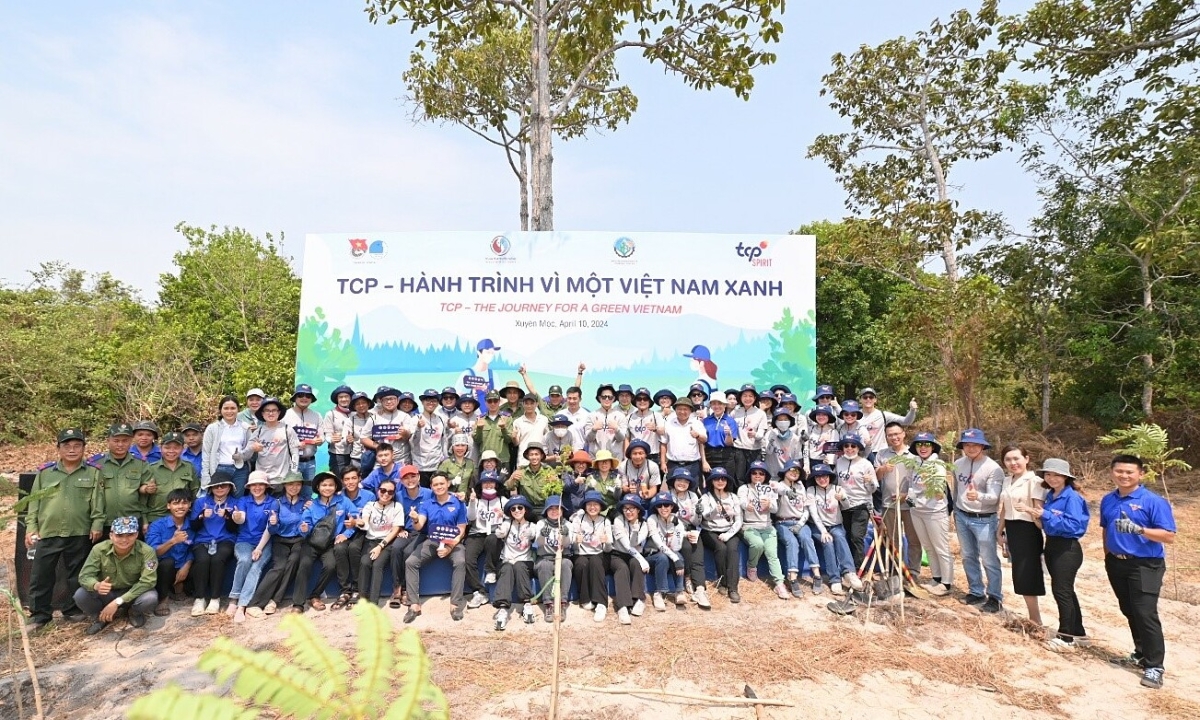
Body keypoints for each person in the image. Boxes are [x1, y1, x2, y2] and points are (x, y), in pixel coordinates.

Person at [1099, 454, 1176, 689]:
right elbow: (1106, 529)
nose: (1124, 475)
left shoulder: (1153, 501)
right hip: (1116, 563)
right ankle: (1141, 653)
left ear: (1140, 474)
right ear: (1112, 472)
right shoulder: (1108, 500)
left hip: (1145, 565)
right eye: (1119, 471)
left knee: (1145, 613)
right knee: (1129, 609)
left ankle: (1155, 666)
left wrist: (1139, 530)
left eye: (1129, 472)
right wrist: (1108, 555)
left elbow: (1169, 536)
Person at [24, 428, 105, 630]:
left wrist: (97, 524)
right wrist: (31, 527)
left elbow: (98, 502)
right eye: (67, 446)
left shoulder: (93, 472)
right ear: (58, 448)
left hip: (79, 531)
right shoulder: (45, 473)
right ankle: (40, 614)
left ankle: (72, 609)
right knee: (41, 575)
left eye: (77, 446)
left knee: (76, 574)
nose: (72, 450)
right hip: (48, 532)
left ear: (84, 448)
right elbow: (33, 503)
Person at [1022, 458, 1089, 652]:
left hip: (1067, 548)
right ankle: (1078, 633)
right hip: (1052, 545)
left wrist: (1045, 514)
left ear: (1066, 477)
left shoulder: (1072, 498)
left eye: (1057, 475)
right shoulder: (1051, 495)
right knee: (1066, 591)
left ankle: (1065, 637)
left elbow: (1074, 526)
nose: (1052, 478)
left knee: (1062, 591)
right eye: (1048, 474)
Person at [74, 516, 159, 635]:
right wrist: (97, 585)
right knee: (80, 595)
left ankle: (134, 612)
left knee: (150, 598)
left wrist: (117, 602)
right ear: (111, 535)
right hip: (107, 593)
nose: (124, 540)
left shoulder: (147, 551)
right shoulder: (99, 549)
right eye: (119, 535)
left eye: (130, 535)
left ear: (136, 535)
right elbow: (84, 576)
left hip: (132, 593)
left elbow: (148, 581)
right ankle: (101, 617)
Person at [952, 428, 1005, 613]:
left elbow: (995, 497)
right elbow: (956, 490)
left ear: (983, 446)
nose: (971, 448)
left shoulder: (993, 468)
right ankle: (976, 591)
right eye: (967, 445)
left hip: (984, 519)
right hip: (962, 516)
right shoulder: (958, 464)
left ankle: (995, 597)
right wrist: (955, 510)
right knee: (968, 556)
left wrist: (979, 496)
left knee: (989, 559)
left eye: (975, 444)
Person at [404, 473, 469, 623]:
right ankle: (414, 605)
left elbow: (461, 529)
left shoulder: (458, 502)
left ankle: (455, 604)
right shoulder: (427, 504)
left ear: (448, 484)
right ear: (431, 487)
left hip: (453, 541)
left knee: (460, 562)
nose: (439, 487)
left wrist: (449, 547)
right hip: (432, 541)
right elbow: (420, 525)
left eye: (441, 483)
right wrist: (415, 519)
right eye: (435, 485)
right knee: (410, 562)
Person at [247, 472, 312, 615]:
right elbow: (272, 530)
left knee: (293, 561)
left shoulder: (306, 503)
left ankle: (275, 600)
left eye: (298, 484)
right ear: (285, 486)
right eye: (290, 484)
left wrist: (305, 529)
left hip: (299, 540)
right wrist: (273, 523)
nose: (294, 487)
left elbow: (308, 527)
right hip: (280, 540)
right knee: (279, 567)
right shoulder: (277, 503)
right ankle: (255, 603)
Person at [998, 444, 1047, 628]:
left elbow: (1038, 511)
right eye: (1008, 460)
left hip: (1028, 530)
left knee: (1027, 574)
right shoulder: (1007, 480)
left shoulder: (1035, 481)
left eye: (1016, 458)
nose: (1013, 463)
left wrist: (1030, 513)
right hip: (1012, 528)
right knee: (1019, 574)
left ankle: (1036, 620)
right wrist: (999, 530)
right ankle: (1033, 617)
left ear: (1026, 459)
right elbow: (1005, 508)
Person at [902, 432, 953, 595]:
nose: (923, 448)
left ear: (933, 447)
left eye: (927, 444)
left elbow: (938, 492)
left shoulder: (937, 464)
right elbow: (912, 485)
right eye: (919, 445)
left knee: (941, 547)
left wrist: (932, 485)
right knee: (928, 547)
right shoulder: (914, 463)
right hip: (917, 511)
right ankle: (936, 578)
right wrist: (908, 498)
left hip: (934, 512)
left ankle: (946, 583)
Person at [297, 471, 354, 611]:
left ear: (336, 487)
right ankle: (298, 604)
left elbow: (355, 518)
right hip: (312, 543)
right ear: (318, 487)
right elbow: (304, 525)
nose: (327, 488)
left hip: (329, 544)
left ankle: (315, 596)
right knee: (304, 564)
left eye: (331, 485)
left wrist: (346, 533)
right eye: (324, 485)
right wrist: (304, 529)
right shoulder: (311, 504)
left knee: (330, 565)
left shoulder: (343, 501)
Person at [226, 471, 276, 622]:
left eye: (261, 484)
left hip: (264, 542)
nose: (257, 487)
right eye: (254, 485)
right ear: (249, 487)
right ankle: (233, 599)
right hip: (244, 540)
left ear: (266, 486)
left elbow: (269, 528)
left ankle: (242, 606)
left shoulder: (273, 502)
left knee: (256, 567)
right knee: (244, 560)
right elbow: (241, 519)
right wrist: (236, 517)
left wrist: (259, 548)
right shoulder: (244, 500)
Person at [807, 463, 862, 595]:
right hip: (818, 527)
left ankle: (849, 572)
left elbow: (847, 506)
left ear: (830, 477)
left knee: (840, 537)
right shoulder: (811, 490)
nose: (822, 479)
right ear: (814, 479)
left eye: (825, 476)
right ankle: (835, 579)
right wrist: (823, 531)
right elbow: (813, 514)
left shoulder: (837, 488)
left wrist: (842, 498)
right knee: (828, 542)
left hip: (836, 525)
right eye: (818, 477)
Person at [875, 423, 922, 574]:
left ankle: (913, 571)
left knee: (914, 539)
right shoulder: (882, 454)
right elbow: (876, 478)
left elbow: (921, 484)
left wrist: (906, 496)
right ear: (886, 437)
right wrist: (882, 469)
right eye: (890, 435)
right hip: (889, 504)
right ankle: (897, 570)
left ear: (903, 434)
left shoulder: (914, 455)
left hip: (910, 503)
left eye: (896, 434)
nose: (894, 437)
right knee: (893, 539)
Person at [771, 460, 824, 596]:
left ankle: (817, 575)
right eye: (791, 470)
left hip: (800, 521)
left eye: (797, 471)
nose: (794, 473)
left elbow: (806, 509)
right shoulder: (777, 484)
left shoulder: (801, 486)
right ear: (785, 471)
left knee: (807, 539)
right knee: (792, 542)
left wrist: (800, 524)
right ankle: (793, 577)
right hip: (783, 522)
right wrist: (788, 491)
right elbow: (778, 489)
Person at [738, 461, 790, 600]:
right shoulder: (744, 488)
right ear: (750, 475)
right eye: (754, 473)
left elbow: (775, 509)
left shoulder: (769, 489)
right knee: (758, 544)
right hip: (749, 525)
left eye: (761, 473)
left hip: (767, 526)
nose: (757, 476)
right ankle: (751, 566)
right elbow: (741, 502)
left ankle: (779, 583)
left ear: (765, 476)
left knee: (772, 553)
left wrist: (769, 505)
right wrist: (746, 505)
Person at [189, 471, 237, 616]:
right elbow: (193, 526)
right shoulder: (201, 502)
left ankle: (215, 599)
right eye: (216, 486)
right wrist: (201, 516)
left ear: (229, 487)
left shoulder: (235, 502)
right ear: (211, 488)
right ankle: (200, 598)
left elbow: (235, 528)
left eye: (223, 486)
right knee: (202, 560)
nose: (220, 488)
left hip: (225, 539)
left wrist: (228, 517)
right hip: (203, 539)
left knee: (218, 559)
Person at [355, 478, 406, 607]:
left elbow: (395, 530)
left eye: (390, 492)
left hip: (387, 542)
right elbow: (365, 521)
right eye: (383, 490)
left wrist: (380, 546)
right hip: (370, 540)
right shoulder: (370, 505)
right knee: (364, 562)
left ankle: (374, 603)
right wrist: (360, 523)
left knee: (378, 565)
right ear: (378, 490)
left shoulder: (397, 507)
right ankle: (362, 598)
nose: (386, 494)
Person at [491, 495, 539, 630]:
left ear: (525, 510)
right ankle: (503, 608)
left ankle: (527, 603)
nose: (517, 510)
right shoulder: (507, 524)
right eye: (513, 509)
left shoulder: (532, 526)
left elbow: (535, 535)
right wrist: (500, 530)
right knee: (507, 567)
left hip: (525, 561)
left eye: (520, 507)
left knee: (519, 565)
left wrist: (531, 534)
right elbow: (499, 533)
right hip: (508, 560)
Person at [666, 467, 711, 608]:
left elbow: (696, 522)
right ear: (673, 481)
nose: (682, 483)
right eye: (679, 480)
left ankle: (700, 589)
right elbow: (669, 519)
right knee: (685, 547)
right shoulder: (668, 496)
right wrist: (684, 533)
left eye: (686, 481)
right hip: (673, 530)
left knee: (697, 552)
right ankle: (687, 576)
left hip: (691, 528)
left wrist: (698, 514)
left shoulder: (693, 496)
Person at [330, 466, 374, 609]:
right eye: (347, 479)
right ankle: (345, 590)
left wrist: (352, 528)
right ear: (342, 481)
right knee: (339, 549)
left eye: (354, 478)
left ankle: (357, 589)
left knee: (354, 548)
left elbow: (368, 521)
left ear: (359, 478)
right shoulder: (338, 496)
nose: (350, 482)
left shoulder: (369, 496)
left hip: (362, 532)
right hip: (343, 532)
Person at [146, 489, 194, 616]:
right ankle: (163, 599)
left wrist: (187, 566)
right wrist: (173, 541)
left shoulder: (193, 525)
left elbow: (194, 548)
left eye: (184, 503)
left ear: (189, 505)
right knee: (167, 563)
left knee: (202, 558)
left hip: (183, 566)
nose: (180, 507)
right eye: (176, 503)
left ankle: (179, 587)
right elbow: (152, 553)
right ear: (168, 506)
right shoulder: (157, 525)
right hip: (163, 569)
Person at [698, 467, 743, 602]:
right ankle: (723, 582)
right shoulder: (706, 497)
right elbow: (705, 517)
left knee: (732, 550)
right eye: (716, 479)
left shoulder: (733, 497)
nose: (720, 481)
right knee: (721, 548)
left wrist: (728, 535)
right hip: (710, 530)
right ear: (711, 481)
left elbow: (738, 520)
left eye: (723, 479)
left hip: (730, 530)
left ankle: (733, 588)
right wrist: (714, 511)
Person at [389, 465, 432, 607]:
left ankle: (407, 589)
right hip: (406, 531)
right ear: (401, 481)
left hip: (423, 532)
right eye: (406, 478)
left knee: (408, 552)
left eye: (413, 476)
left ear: (418, 477)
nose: (410, 480)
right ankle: (397, 588)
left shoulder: (428, 493)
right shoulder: (399, 495)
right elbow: (393, 514)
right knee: (396, 548)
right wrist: (399, 529)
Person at [835, 433, 878, 572]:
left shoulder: (866, 464)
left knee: (856, 536)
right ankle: (848, 567)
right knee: (847, 535)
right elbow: (836, 482)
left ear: (858, 448)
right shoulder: (839, 462)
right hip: (844, 505)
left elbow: (873, 489)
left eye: (853, 446)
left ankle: (859, 568)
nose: (849, 448)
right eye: (846, 446)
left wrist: (870, 482)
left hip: (861, 504)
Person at [464, 471, 507, 609]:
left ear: (496, 484)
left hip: (494, 535)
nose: (488, 485)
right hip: (476, 534)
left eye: (491, 482)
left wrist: (504, 515)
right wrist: (472, 502)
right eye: (485, 482)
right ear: (480, 485)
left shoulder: (503, 500)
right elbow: (470, 518)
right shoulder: (476, 500)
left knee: (492, 539)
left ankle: (490, 570)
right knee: (467, 559)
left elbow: (513, 516)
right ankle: (479, 592)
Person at [96, 423, 151, 526]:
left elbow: (144, 497)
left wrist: (144, 519)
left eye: (125, 441)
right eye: (116, 441)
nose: (120, 444)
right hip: (105, 521)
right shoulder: (96, 463)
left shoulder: (141, 463)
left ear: (131, 441)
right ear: (108, 441)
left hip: (132, 520)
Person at [609, 494, 652, 625]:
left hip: (635, 554)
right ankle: (623, 606)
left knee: (636, 564)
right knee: (622, 568)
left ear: (638, 510)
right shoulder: (618, 520)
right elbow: (625, 544)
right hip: (617, 553)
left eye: (632, 508)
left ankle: (639, 599)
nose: (628, 512)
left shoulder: (644, 524)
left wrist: (635, 529)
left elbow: (634, 543)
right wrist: (642, 559)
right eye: (625, 508)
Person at [570, 490, 613, 621]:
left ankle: (601, 603)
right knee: (581, 563)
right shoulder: (578, 519)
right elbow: (573, 547)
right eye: (589, 504)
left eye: (596, 504)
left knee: (595, 561)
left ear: (600, 507)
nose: (592, 507)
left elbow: (608, 549)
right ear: (585, 506)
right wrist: (576, 541)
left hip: (600, 554)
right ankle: (585, 598)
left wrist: (606, 542)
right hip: (581, 553)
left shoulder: (605, 521)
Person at [534, 494, 574, 622]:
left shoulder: (568, 524)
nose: (554, 511)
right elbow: (539, 544)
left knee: (566, 564)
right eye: (551, 508)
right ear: (546, 511)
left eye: (557, 508)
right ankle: (548, 604)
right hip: (545, 557)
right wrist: (542, 535)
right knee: (544, 565)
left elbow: (567, 545)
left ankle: (562, 603)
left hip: (562, 556)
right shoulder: (541, 523)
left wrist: (565, 535)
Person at [144, 432, 200, 524]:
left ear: (182, 448)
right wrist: (144, 521)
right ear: (160, 448)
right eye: (167, 447)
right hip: (157, 517)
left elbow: (195, 493)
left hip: (182, 517)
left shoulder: (189, 467)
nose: (171, 451)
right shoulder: (151, 468)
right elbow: (143, 499)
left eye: (176, 448)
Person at [646, 492, 688, 609]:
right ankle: (659, 593)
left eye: (666, 505)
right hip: (652, 556)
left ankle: (679, 591)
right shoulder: (652, 519)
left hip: (668, 555)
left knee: (677, 555)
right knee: (663, 557)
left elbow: (676, 547)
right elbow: (658, 544)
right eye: (659, 505)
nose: (663, 508)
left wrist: (676, 528)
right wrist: (675, 559)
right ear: (656, 508)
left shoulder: (676, 520)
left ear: (672, 506)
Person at [202, 395, 252, 494]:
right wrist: (206, 475)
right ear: (220, 410)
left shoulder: (245, 427)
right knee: (221, 498)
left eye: (233, 408)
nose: (229, 411)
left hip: (240, 469)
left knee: (238, 498)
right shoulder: (213, 428)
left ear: (238, 409)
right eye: (226, 408)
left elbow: (249, 450)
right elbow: (206, 453)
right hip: (220, 468)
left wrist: (241, 455)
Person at [248, 397, 301, 486]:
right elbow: (247, 451)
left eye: (274, 410)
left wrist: (293, 472)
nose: (271, 413)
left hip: (282, 478)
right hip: (262, 479)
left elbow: (295, 453)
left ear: (279, 412)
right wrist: (252, 448)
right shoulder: (258, 431)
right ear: (262, 413)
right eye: (267, 410)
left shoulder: (287, 429)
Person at [857, 388, 918, 461]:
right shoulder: (855, 416)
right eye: (865, 397)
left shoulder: (883, 415)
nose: (868, 399)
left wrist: (912, 410)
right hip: (860, 453)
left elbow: (906, 421)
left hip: (880, 452)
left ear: (875, 400)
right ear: (860, 400)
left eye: (871, 397)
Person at [730, 383, 768, 489]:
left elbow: (761, 434)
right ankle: (741, 497)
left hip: (754, 451)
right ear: (740, 397)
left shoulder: (760, 413)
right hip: (738, 450)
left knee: (755, 477)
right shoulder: (735, 412)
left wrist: (755, 434)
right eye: (745, 396)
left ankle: (755, 497)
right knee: (739, 477)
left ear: (755, 398)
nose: (747, 398)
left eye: (750, 396)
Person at [284, 384, 324, 483]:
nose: (304, 398)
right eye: (300, 395)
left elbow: (321, 436)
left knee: (308, 490)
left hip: (310, 462)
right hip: (290, 461)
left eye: (308, 396)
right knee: (291, 490)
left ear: (311, 399)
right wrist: (294, 445)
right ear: (295, 397)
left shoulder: (317, 416)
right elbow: (280, 438)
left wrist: (320, 440)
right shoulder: (285, 415)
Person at [660, 397, 706, 483]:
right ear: (675, 410)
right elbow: (663, 443)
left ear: (690, 410)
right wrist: (663, 463)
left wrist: (697, 435)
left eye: (685, 409)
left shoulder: (697, 423)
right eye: (679, 409)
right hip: (673, 464)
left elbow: (704, 440)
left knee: (692, 488)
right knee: (673, 488)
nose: (682, 412)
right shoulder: (668, 423)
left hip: (692, 465)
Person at [412, 389, 450, 485]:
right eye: (427, 400)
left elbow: (443, 441)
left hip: (437, 466)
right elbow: (412, 442)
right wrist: (418, 428)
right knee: (423, 492)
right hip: (420, 466)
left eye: (434, 401)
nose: (431, 403)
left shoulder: (441, 419)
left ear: (437, 403)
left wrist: (445, 458)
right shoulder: (415, 419)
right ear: (422, 402)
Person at [509, 442, 557, 511]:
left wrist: (555, 482)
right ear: (527, 456)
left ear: (541, 456)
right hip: (527, 508)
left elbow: (558, 491)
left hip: (545, 508)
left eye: (536, 454)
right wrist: (512, 478)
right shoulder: (521, 470)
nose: (534, 457)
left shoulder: (549, 470)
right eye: (531, 455)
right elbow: (509, 487)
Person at [701, 392, 738, 480]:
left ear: (725, 405)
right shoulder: (705, 421)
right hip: (709, 455)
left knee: (727, 482)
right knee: (710, 482)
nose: (717, 406)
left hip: (726, 455)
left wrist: (728, 434)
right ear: (710, 405)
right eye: (714, 403)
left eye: (720, 403)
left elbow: (729, 443)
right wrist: (704, 461)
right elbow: (701, 443)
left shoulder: (730, 421)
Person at [474, 390, 514, 469]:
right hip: (486, 461)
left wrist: (503, 428)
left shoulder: (507, 418)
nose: (492, 404)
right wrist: (479, 429)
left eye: (495, 401)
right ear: (486, 403)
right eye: (490, 401)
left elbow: (509, 440)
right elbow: (477, 441)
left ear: (499, 402)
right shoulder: (480, 419)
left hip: (502, 460)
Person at [322, 385, 355, 477]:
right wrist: (331, 439)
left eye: (346, 396)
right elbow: (327, 435)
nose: (344, 399)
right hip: (338, 455)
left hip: (355, 454)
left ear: (351, 398)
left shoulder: (355, 413)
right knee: (339, 480)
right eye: (341, 397)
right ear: (337, 399)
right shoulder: (331, 414)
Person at [509, 392, 550, 464]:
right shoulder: (518, 422)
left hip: (540, 460)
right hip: (524, 461)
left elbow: (547, 438)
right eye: (526, 403)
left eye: (532, 403)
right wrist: (514, 437)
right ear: (523, 404)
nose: (529, 406)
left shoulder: (544, 419)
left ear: (537, 404)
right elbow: (516, 443)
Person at [763, 408, 803, 480]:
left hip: (787, 475)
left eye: (785, 419)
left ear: (790, 421)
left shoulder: (795, 438)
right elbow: (768, 451)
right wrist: (772, 439)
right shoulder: (769, 434)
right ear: (775, 422)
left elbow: (797, 458)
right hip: (772, 475)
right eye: (780, 420)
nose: (783, 422)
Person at [625, 388, 662, 463]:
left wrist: (655, 428)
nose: (642, 401)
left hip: (652, 455)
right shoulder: (629, 417)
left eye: (645, 399)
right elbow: (627, 439)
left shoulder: (656, 415)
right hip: (635, 455)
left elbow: (663, 432)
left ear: (649, 401)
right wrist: (626, 457)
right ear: (635, 401)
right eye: (639, 399)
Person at [438, 433, 477, 498]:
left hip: (465, 499)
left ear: (467, 447)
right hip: (449, 498)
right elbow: (438, 483)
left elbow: (473, 484)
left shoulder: (470, 463)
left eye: (463, 445)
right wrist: (451, 482)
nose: (460, 448)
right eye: (457, 445)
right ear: (452, 447)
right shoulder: (446, 463)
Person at [346, 392, 376, 473]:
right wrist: (348, 439)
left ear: (368, 404)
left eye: (363, 403)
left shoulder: (376, 417)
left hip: (374, 457)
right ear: (354, 407)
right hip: (357, 458)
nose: (361, 405)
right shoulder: (350, 420)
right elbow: (345, 438)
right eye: (357, 404)